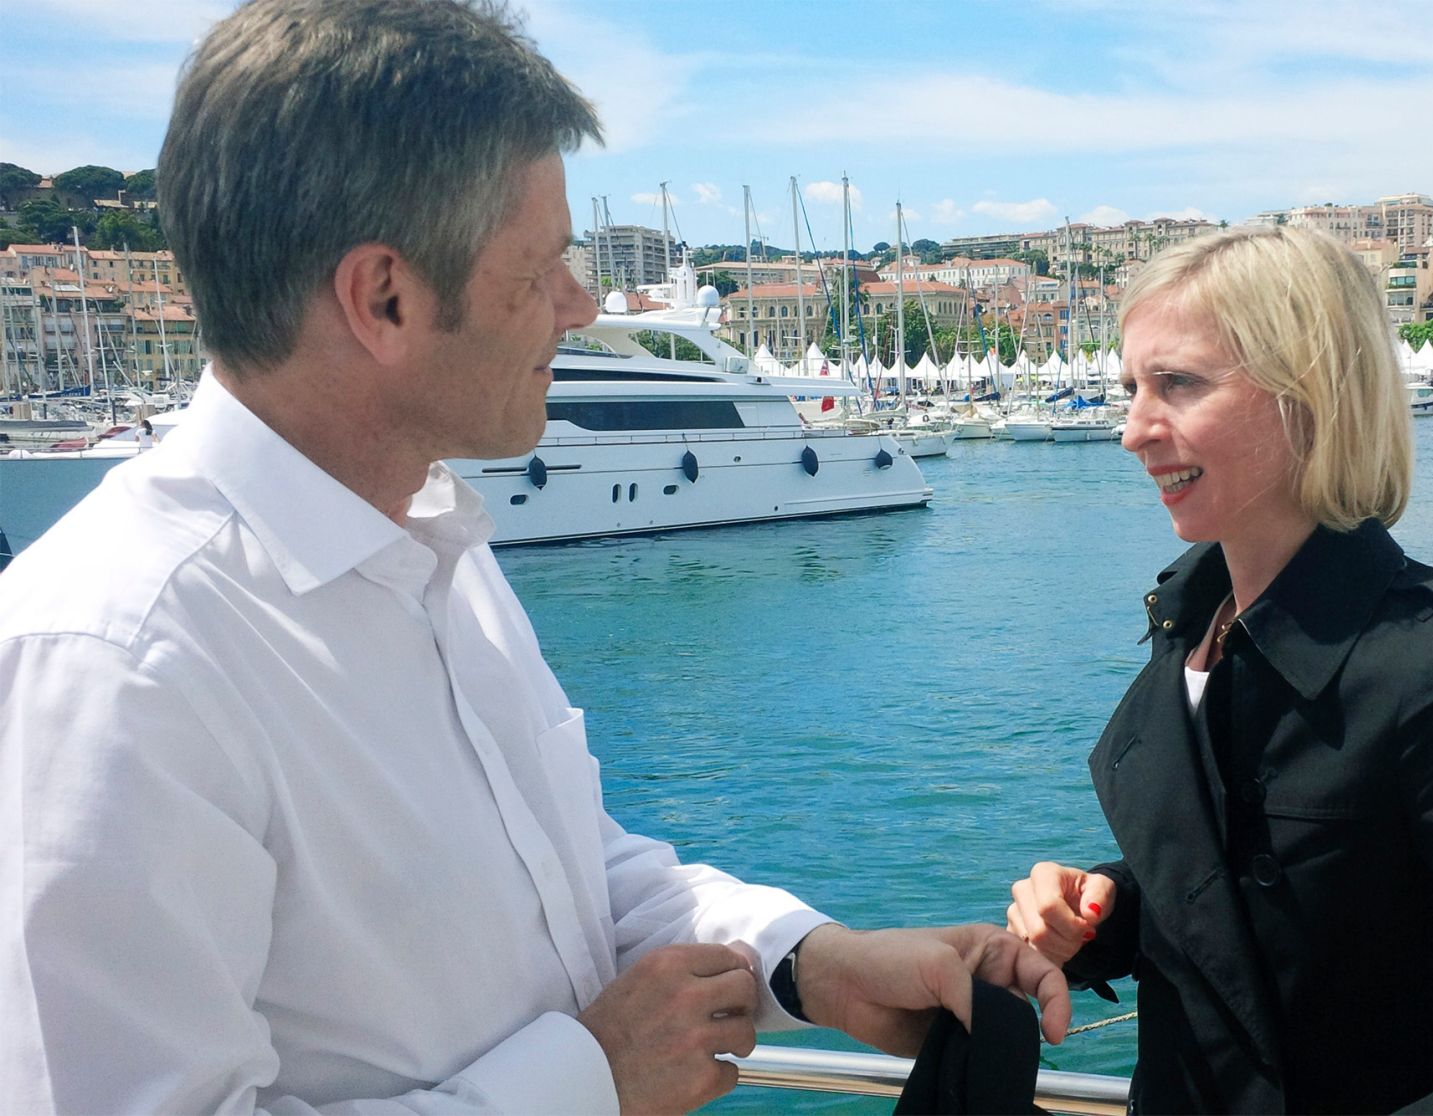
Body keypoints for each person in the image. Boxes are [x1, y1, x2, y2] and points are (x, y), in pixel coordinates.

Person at [0, 3, 1068, 1112]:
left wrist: (809, 961)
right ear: (386, 298)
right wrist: (586, 1078)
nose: (582, 304)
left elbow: (567, 875)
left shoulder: (434, 551)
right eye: (542, 267)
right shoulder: (113, 664)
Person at [1005, 226, 1433, 1113]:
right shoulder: (1194, 623)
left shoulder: (1431, 675)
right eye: (1132, 388)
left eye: (1176, 384)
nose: (1133, 429)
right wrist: (1107, 907)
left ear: (1309, 398)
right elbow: (1298, 892)